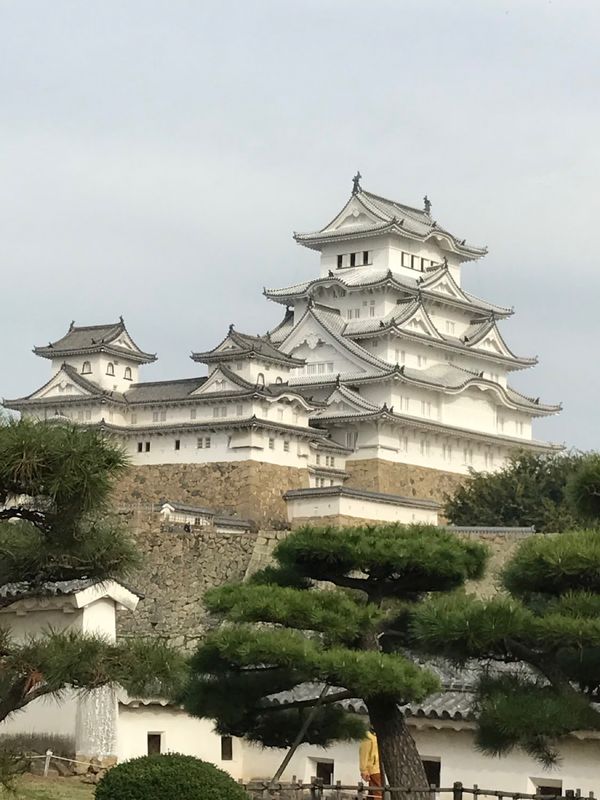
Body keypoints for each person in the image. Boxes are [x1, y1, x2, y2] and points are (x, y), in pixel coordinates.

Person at [359, 727, 382, 799]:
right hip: (373, 769)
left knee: (373, 793)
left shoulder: (377, 736)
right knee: (378, 793)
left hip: (378, 768)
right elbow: (364, 754)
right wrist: (363, 770)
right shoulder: (368, 737)